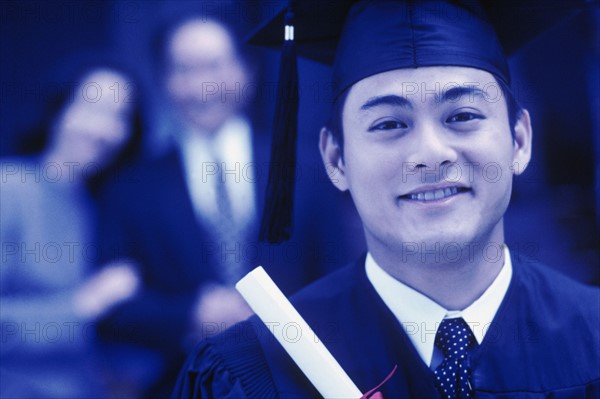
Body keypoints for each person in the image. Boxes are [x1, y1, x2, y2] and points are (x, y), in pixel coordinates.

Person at [171, 1, 600, 398]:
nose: (430, 153)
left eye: (462, 116)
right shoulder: (252, 374)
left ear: (519, 140)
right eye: (390, 123)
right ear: (336, 159)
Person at [97, 14, 352, 397]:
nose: (203, 85)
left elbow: (342, 276)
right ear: (163, 80)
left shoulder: (308, 171)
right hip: (181, 383)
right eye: (183, 69)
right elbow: (113, 306)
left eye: (215, 65)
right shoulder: (131, 186)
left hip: (297, 381)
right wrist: (190, 313)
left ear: (246, 70)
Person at [0, 64, 143, 399]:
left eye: (119, 116)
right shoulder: (11, 188)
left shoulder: (97, 205)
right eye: (92, 108)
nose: (104, 130)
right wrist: (83, 304)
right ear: (58, 109)